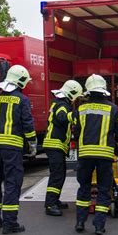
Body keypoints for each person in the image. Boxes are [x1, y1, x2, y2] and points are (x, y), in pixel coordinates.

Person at [73, 74, 118, 235]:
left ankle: (80, 222)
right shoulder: (114, 109)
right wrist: (117, 148)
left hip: (85, 155)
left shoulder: (80, 109)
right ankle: (99, 226)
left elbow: (76, 132)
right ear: (104, 90)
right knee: (104, 190)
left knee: (84, 187)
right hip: (105, 155)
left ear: (88, 90)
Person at [0, 64, 36, 234]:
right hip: (12, 148)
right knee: (12, 183)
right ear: (21, 81)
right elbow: (27, 124)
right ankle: (10, 223)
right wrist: (32, 143)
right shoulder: (22, 100)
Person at [43, 80, 83, 216]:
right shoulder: (62, 105)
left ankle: (55, 200)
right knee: (57, 175)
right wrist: (76, 116)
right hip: (55, 145)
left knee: (59, 174)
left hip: (54, 145)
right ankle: (50, 204)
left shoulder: (58, 103)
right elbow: (61, 117)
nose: (76, 100)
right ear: (71, 94)